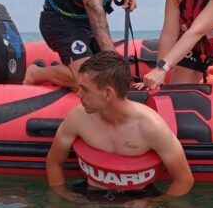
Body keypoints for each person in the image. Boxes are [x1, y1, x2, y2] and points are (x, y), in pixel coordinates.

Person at [46, 51, 193, 199]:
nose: (79, 95)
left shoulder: (151, 127)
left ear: (108, 93)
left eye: (85, 89)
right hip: (90, 197)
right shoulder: (78, 117)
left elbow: (184, 180)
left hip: (139, 199)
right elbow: (54, 162)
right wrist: (62, 194)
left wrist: (153, 203)